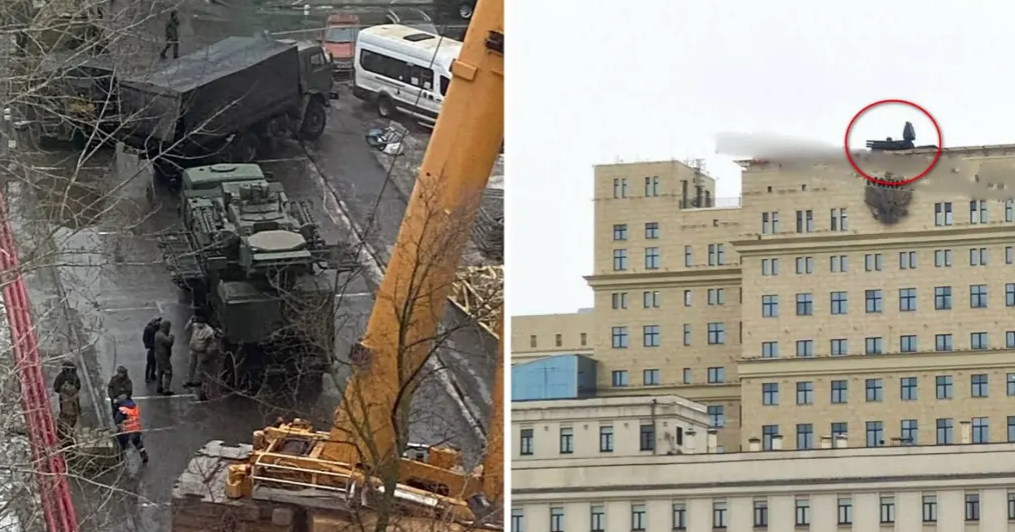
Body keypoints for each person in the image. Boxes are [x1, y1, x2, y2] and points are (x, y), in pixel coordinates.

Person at [113, 394, 149, 465]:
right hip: (136, 428)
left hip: (126, 430)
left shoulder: (122, 410)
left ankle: (120, 459)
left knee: (121, 444)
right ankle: (143, 454)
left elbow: (117, 420)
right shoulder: (134, 406)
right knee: (138, 442)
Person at [184, 314, 217, 388]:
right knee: (191, 366)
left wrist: (209, 351)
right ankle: (189, 380)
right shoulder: (194, 325)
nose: (198, 325)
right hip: (193, 350)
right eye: (197, 323)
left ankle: (198, 381)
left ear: (203, 323)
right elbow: (186, 329)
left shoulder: (209, 331)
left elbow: (212, 342)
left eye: (200, 323)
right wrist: (190, 322)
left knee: (200, 367)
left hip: (201, 352)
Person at [54, 361, 81, 443]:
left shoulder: (61, 377)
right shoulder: (73, 377)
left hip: (65, 400)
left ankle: (65, 434)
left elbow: (56, 387)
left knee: (66, 416)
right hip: (68, 401)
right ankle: (66, 434)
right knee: (70, 416)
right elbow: (78, 386)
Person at [153, 319, 175, 396]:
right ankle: (166, 389)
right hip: (163, 356)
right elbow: (169, 342)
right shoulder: (161, 335)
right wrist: (172, 337)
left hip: (158, 355)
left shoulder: (157, 333)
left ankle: (159, 386)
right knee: (168, 372)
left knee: (160, 371)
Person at [142, 316, 162, 383]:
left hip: (153, 347)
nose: (159, 322)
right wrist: (148, 345)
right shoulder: (152, 329)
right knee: (151, 363)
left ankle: (151, 376)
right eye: (157, 321)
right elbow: (146, 338)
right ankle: (148, 377)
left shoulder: (152, 328)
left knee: (153, 363)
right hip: (152, 347)